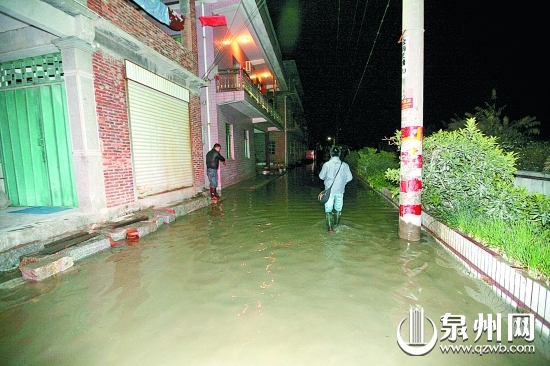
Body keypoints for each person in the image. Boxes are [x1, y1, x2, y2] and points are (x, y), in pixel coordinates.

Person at [319, 146, 353, 232]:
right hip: (340, 191)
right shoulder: (345, 165)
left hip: (329, 192)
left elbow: (321, 177)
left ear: (330, 154)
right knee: (338, 209)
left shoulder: (326, 165)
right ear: (339, 154)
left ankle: (330, 228)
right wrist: (342, 183)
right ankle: (337, 226)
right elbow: (350, 178)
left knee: (328, 209)